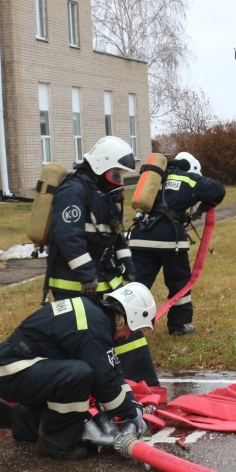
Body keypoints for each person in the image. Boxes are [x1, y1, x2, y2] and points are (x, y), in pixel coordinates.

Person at [0, 283, 156, 460]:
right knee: (79, 374)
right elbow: (104, 383)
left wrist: (132, 404)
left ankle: (9, 416)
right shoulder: (93, 325)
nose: (127, 336)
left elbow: (112, 372)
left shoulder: (96, 317)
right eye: (132, 330)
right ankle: (55, 444)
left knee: (72, 419)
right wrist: (132, 415)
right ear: (123, 319)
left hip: (20, 367)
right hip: (13, 369)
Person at [48, 135, 159, 387]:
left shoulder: (107, 193)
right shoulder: (72, 191)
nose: (119, 179)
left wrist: (129, 268)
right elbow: (68, 237)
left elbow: (116, 234)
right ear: (101, 164)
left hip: (106, 279)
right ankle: (80, 387)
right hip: (73, 283)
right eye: (116, 173)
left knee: (126, 330)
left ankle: (143, 385)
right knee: (85, 338)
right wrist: (87, 274)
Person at [127, 152, 226, 336]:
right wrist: (202, 208)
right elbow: (218, 190)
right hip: (169, 240)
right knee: (178, 281)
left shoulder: (154, 178)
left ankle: (124, 324)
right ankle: (178, 325)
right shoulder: (188, 178)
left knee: (138, 284)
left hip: (140, 236)